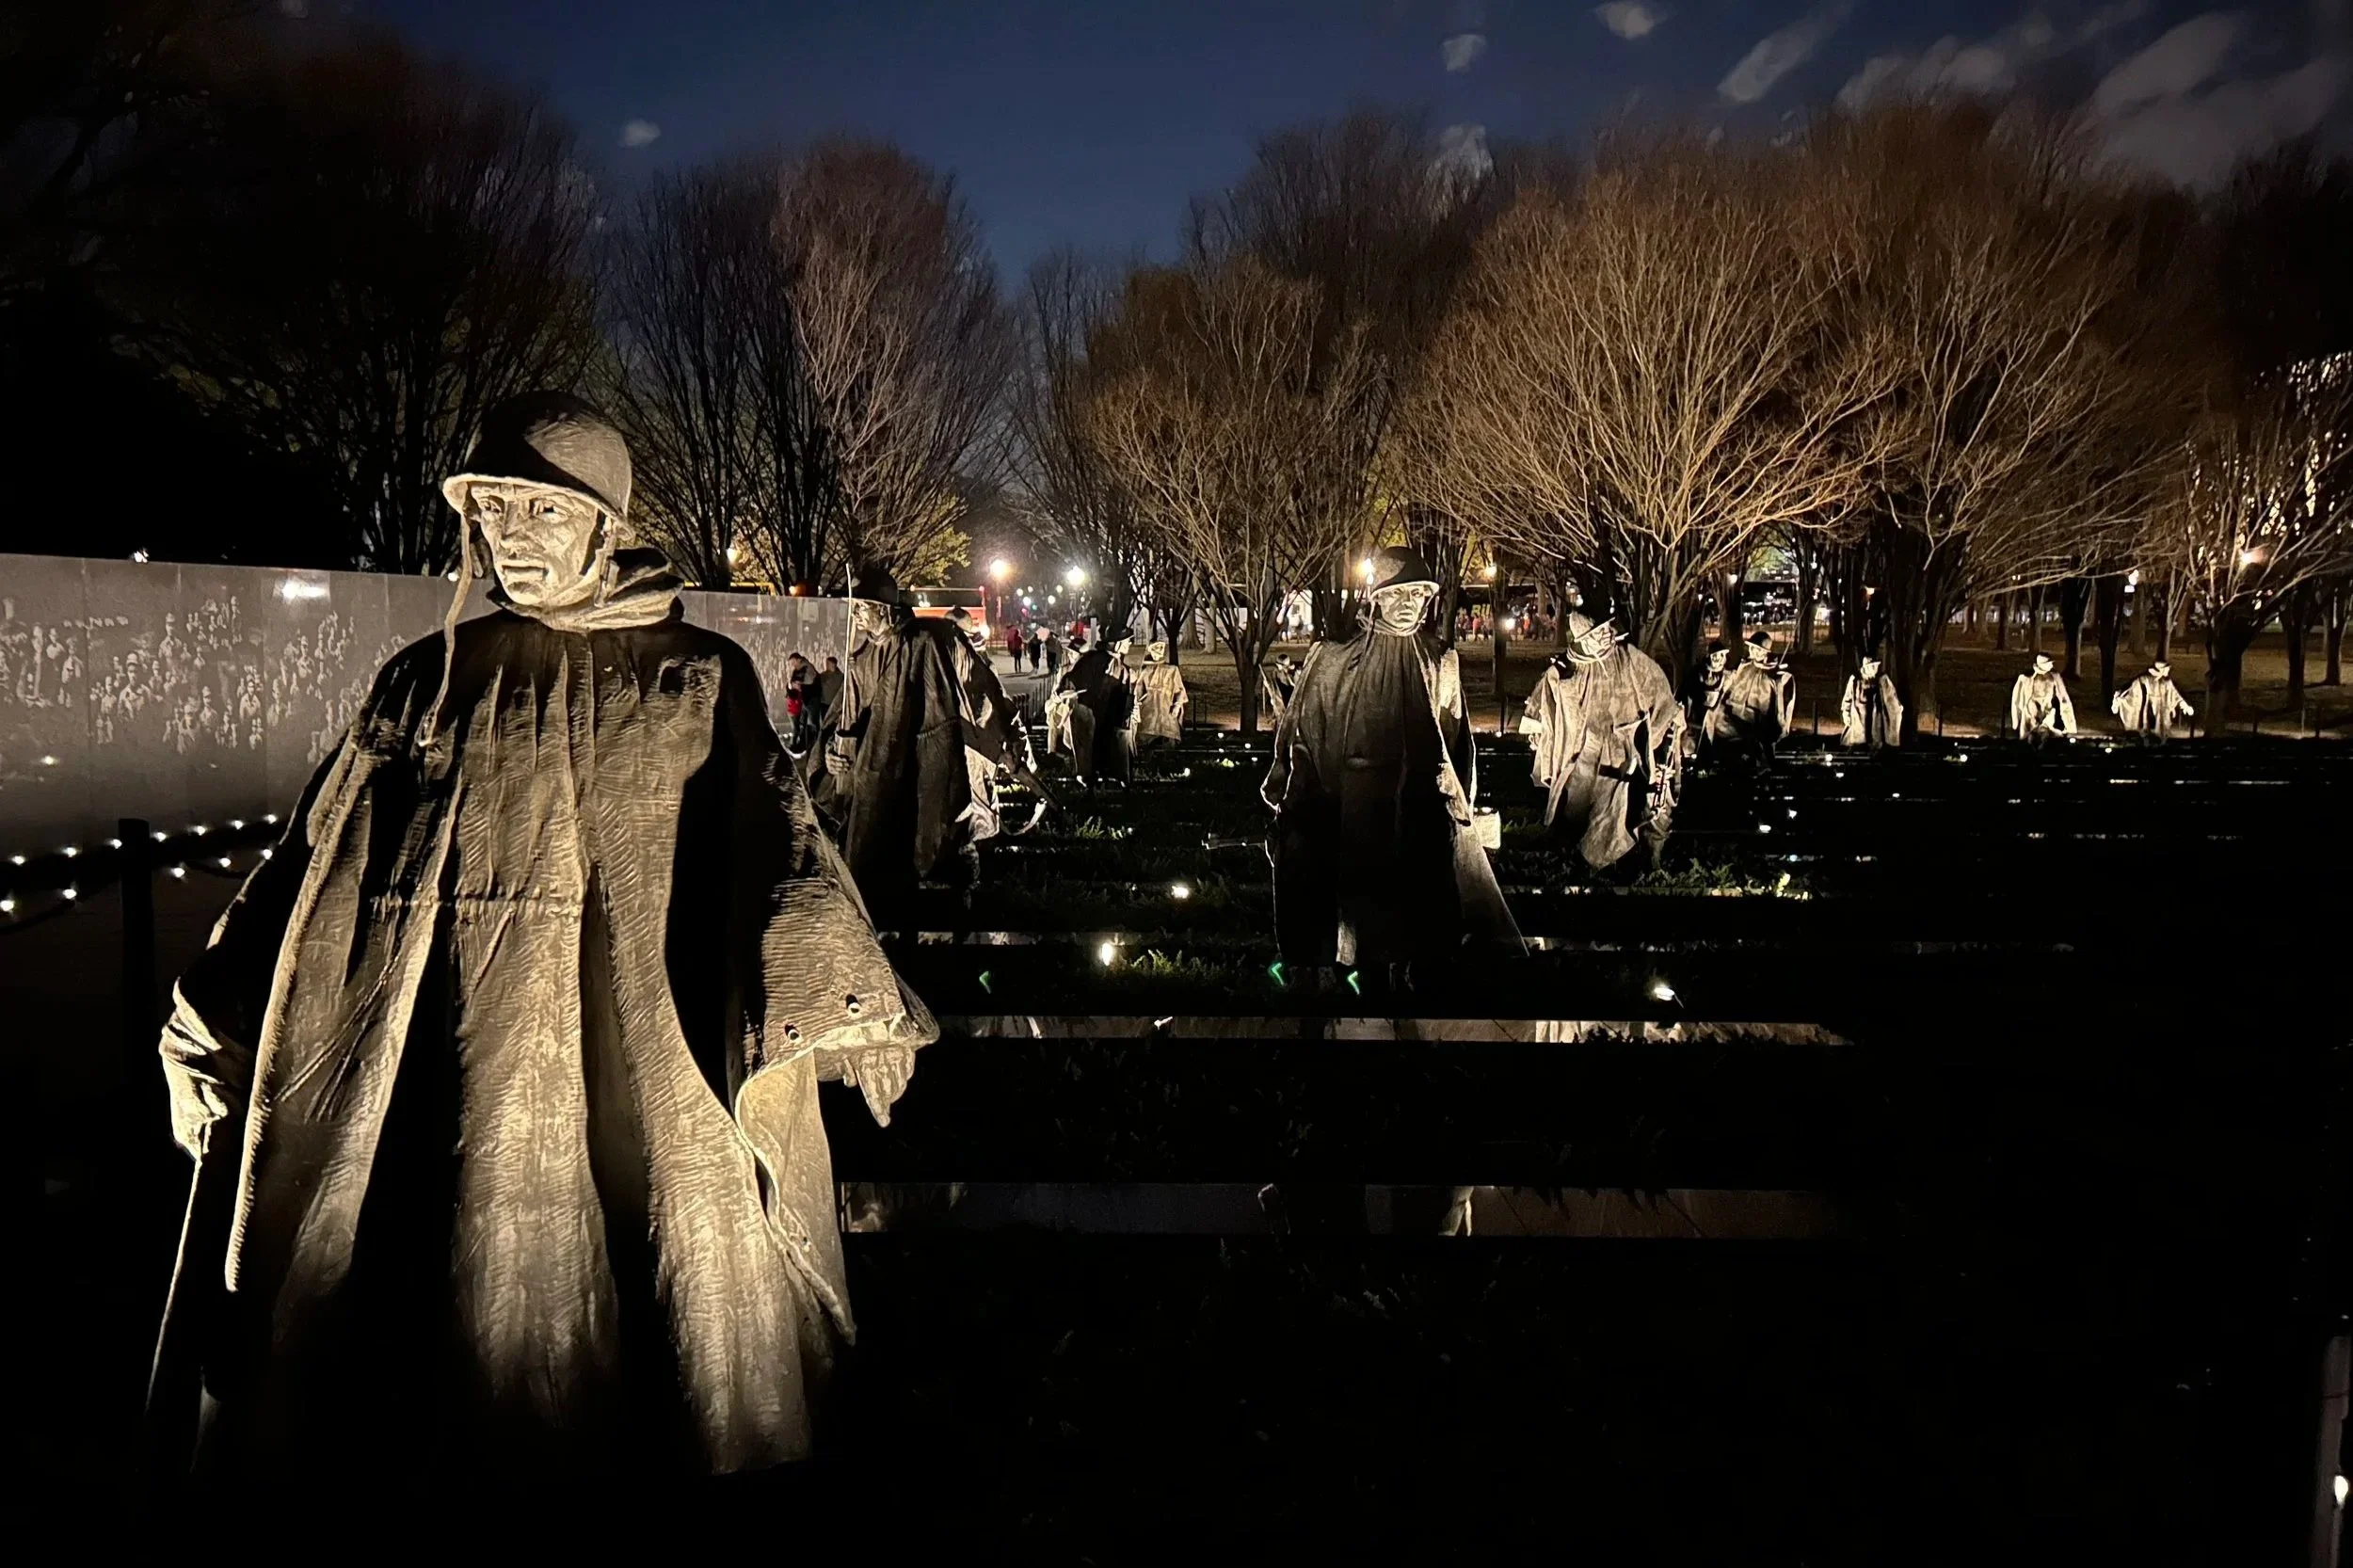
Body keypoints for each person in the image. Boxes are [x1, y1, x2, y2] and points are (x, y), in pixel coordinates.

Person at [148, 392, 933, 1481]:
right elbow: (313, 862)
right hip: (451, 1062)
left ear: (606, 527)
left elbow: (779, 846)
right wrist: (210, 1017)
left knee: (672, 1306)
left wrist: (848, 1005)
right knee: (447, 1310)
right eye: (494, 510)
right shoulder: (426, 680)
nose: (513, 536)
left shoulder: (699, 678)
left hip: (650, 1067)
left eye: (542, 511)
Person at [1262, 545, 1519, 981]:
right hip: (1360, 804)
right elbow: (1303, 732)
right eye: (1398, 594)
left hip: (1423, 802)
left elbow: (1456, 740)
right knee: (1365, 910)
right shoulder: (1332, 660)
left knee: (1423, 910)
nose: (1408, 604)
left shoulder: (1441, 660)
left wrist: (1462, 800)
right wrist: (1297, 793)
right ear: (1376, 597)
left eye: (1418, 596)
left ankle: (1419, 990)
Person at [811, 559, 984, 925]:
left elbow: (940, 719)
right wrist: (830, 753)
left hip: (906, 780)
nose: (855, 616)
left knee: (898, 870)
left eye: (861, 607)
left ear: (884, 609)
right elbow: (839, 718)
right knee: (862, 865)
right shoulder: (862, 658)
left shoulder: (921, 644)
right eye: (853, 608)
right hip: (863, 781)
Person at [1520, 612, 1682, 872]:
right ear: (1583, 637)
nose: (1607, 633)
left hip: (1625, 747)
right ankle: (1578, 860)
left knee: (1624, 807)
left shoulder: (1628, 658)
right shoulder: (1566, 668)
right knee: (1577, 808)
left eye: (1608, 627)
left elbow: (1659, 692)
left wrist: (1667, 724)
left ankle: (1621, 861)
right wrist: (1538, 732)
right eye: (1599, 630)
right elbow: (1544, 705)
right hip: (1584, 752)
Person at [1058, 621, 1138, 787]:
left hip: (1107, 720)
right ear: (1115, 643)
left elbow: (1124, 696)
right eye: (1127, 641)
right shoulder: (1094, 660)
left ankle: (1110, 778)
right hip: (1090, 717)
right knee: (1091, 758)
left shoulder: (1121, 668)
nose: (1130, 644)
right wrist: (1067, 691)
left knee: (1110, 753)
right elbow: (1070, 680)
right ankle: (1091, 783)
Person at [1707, 628, 1795, 760]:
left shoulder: (1774, 674)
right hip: (1736, 716)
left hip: (1758, 721)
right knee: (1714, 717)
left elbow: (1780, 704)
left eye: (1758, 649)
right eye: (1752, 648)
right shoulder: (1744, 667)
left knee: (1757, 737)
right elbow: (1731, 689)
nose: (1754, 652)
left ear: (1765, 652)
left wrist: (1778, 680)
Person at [2112, 659, 2193, 744]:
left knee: (2160, 730)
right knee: (2145, 727)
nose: (2168, 670)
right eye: (2167, 669)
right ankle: (2145, 744)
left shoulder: (2167, 682)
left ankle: (2160, 745)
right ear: (2161, 670)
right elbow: (2132, 688)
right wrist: (2119, 699)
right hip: (2147, 707)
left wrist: (2185, 706)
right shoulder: (2145, 679)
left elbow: (2176, 695)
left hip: (2161, 708)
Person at [1130, 639, 1189, 746]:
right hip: (1149, 711)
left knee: (1168, 738)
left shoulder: (1172, 670)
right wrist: (1136, 705)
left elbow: (1180, 690)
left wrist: (1177, 705)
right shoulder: (1145, 671)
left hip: (1166, 709)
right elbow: (1138, 690)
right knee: (1145, 739)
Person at [2009, 651, 2076, 744]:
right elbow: (2016, 699)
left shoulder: (2054, 677)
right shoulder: (2026, 678)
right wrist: (2015, 720)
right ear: (2042, 664)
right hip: (2030, 713)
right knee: (2027, 740)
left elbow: (2064, 698)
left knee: (2046, 736)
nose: (2051, 665)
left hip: (2047, 712)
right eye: (2049, 663)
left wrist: (2070, 724)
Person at [1839, 654, 1903, 750]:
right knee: (1858, 745)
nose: (1875, 668)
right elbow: (1847, 699)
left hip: (1876, 719)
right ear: (1866, 668)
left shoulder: (1881, 680)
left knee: (1875, 741)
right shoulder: (1855, 680)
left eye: (1876, 666)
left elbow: (1891, 699)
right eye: (1872, 666)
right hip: (1858, 721)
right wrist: (1846, 713)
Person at [1679, 642, 1730, 760]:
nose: (1720, 659)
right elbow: (1685, 692)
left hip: (1718, 715)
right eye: (1716, 656)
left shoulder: (1728, 676)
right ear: (1709, 656)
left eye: (1723, 656)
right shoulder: (1697, 673)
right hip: (1696, 714)